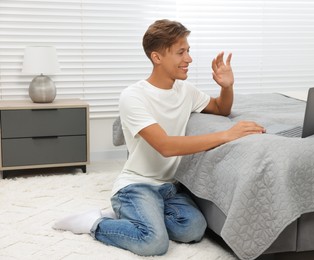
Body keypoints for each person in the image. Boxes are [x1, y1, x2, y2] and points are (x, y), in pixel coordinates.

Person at [52, 19, 265, 256]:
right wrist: (226, 135)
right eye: (181, 52)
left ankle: (138, 215)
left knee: (193, 230)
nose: (189, 59)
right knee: (153, 242)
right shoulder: (133, 96)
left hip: (169, 187)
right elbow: (165, 146)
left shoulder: (186, 90)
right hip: (136, 185)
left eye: (188, 51)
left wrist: (227, 87)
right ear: (157, 57)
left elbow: (220, 108)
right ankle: (93, 223)